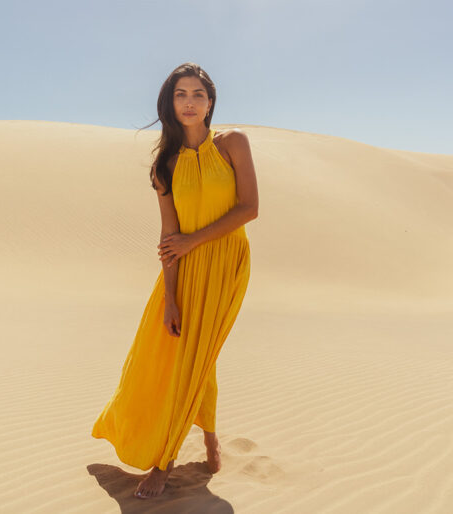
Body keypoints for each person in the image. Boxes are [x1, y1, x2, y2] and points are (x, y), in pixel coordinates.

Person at [90, 62, 259, 499]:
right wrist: (169, 298)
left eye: (197, 94)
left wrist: (193, 241)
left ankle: (163, 462)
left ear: (210, 101)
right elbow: (169, 237)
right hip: (183, 270)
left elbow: (249, 209)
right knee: (182, 353)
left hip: (226, 263)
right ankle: (209, 438)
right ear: (170, 102)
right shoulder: (164, 165)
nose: (189, 102)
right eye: (181, 94)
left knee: (200, 352)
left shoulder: (233, 144)